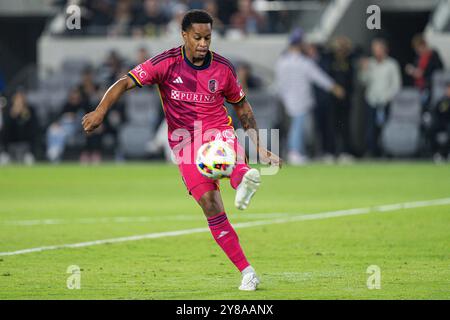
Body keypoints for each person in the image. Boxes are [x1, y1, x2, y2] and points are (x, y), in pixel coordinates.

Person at [82, 9, 281, 291]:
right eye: (198, 37)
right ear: (184, 35)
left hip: (217, 131)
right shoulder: (166, 63)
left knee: (230, 159)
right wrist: (100, 110)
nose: (203, 43)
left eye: (208, 38)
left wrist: (259, 146)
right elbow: (125, 81)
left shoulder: (223, 68)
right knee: (210, 206)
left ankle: (243, 179)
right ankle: (247, 271)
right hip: (185, 144)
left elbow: (242, 107)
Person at [275, 28, 345, 165]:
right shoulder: (303, 62)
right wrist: (334, 87)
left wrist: (282, 96)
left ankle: (295, 151)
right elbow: (319, 77)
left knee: (297, 126)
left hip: (288, 98)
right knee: (298, 126)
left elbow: (280, 83)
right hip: (300, 98)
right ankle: (294, 152)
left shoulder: (282, 62)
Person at [359, 38, 402, 157]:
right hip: (372, 100)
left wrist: (388, 98)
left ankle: (385, 152)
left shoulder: (391, 64)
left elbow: (396, 85)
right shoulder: (370, 63)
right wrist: (364, 69)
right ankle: (371, 151)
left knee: (385, 128)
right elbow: (363, 81)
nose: (376, 52)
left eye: (378, 49)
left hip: (386, 102)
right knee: (370, 128)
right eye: (374, 50)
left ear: (384, 50)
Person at [0, 89, 38, 165]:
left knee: (29, 162)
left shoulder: (30, 110)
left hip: (26, 146)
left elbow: (33, 129)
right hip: (10, 146)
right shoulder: (8, 111)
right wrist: (13, 116)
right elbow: (5, 131)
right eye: (17, 99)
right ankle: (5, 154)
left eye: (20, 99)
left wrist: (25, 116)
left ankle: (30, 154)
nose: (19, 101)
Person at [405, 34, 443, 106]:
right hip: (418, 86)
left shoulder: (433, 55)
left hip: (430, 86)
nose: (418, 51)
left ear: (423, 45)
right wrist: (412, 71)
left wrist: (422, 73)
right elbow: (416, 70)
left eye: (418, 48)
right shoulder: (418, 57)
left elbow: (438, 71)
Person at [429, 81, 450, 163]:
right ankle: (436, 153)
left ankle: (447, 153)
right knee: (430, 129)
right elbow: (437, 111)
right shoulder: (442, 100)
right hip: (441, 122)